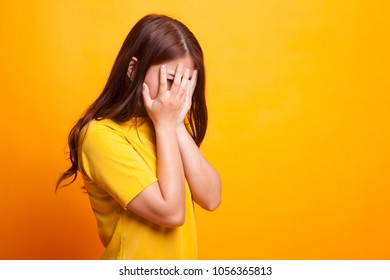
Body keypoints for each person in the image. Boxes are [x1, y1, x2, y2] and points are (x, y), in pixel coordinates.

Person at [56, 14, 222, 260]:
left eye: (186, 82)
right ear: (133, 70)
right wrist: (166, 125)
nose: (178, 92)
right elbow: (172, 213)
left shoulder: (162, 124)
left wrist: (176, 125)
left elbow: (211, 198)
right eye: (170, 80)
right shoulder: (101, 136)